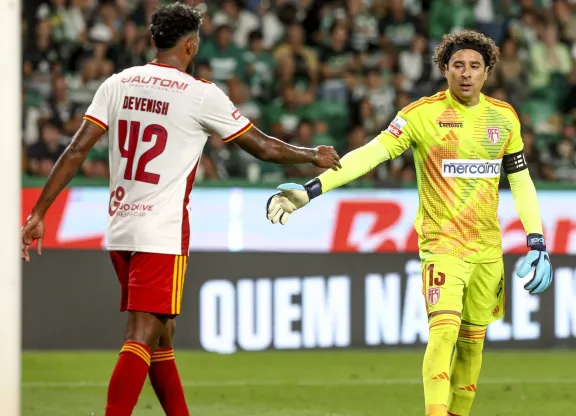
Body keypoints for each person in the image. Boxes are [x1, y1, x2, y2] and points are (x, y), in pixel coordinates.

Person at [19, 3, 340, 416]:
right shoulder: (200, 94)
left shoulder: (117, 83)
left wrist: (39, 212)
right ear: (191, 45)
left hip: (119, 229)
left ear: (154, 41)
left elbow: (76, 149)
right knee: (141, 335)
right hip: (162, 231)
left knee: (160, 336)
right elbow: (260, 145)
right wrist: (311, 154)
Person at [265, 29, 553, 416]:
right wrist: (311, 189)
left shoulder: (504, 119)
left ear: (487, 73)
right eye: (458, 66)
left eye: (475, 67)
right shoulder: (420, 116)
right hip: (442, 245)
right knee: (444, 331)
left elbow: (519, 179)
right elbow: (369, 155)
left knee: (472, 343)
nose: (466, 74)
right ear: (444, 70)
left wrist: (537, 240)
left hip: (487, 249)